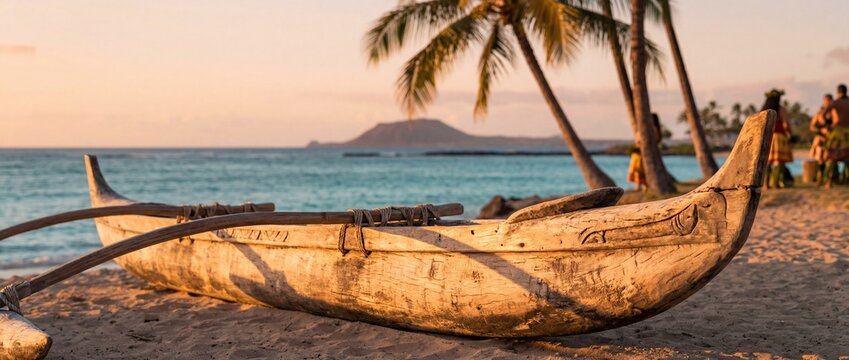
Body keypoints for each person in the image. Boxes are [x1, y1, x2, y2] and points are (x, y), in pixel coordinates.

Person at [763, 89, 793, 189]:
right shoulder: (781, 109)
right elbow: (785, 124)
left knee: (767, 162)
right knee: (778, 162)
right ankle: (776, 183)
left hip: (768, 137)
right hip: (779, 137)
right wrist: (790, 133)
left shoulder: (764, 110)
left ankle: (766, 184)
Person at [822, 84, 849, 188]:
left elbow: (824, 113)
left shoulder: (836, 102)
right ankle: (846, 181)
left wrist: (827, 123)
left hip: (838, 131)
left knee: (832, 157)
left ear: (838, 92)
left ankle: (829, 182)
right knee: (847, 158)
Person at [810, 94, 834, 184]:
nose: (827, 102)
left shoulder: (834, 112)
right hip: (820, 139)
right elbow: (812, 126)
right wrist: (820, 131)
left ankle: (829, 179)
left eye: (829, 100)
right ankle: (819, 179)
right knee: (820, 159)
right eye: (825, 100)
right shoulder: (819, 113)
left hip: (832, 139)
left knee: (830, 159)